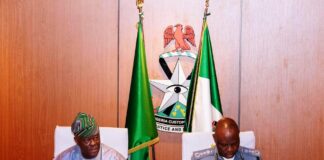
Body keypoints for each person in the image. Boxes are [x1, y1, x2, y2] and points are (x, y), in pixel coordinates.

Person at [55, 112, 125, 160]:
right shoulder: (64, 157)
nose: (93, 143)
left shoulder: (114, 158)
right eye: (87, 140)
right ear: (76, 141)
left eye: (96, 137)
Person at [191, 117, 261, 160]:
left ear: (238, 136)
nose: (230, 149)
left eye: (234, 144)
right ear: (215, 139)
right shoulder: (201, 159)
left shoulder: (253, 158)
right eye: (224, 145)